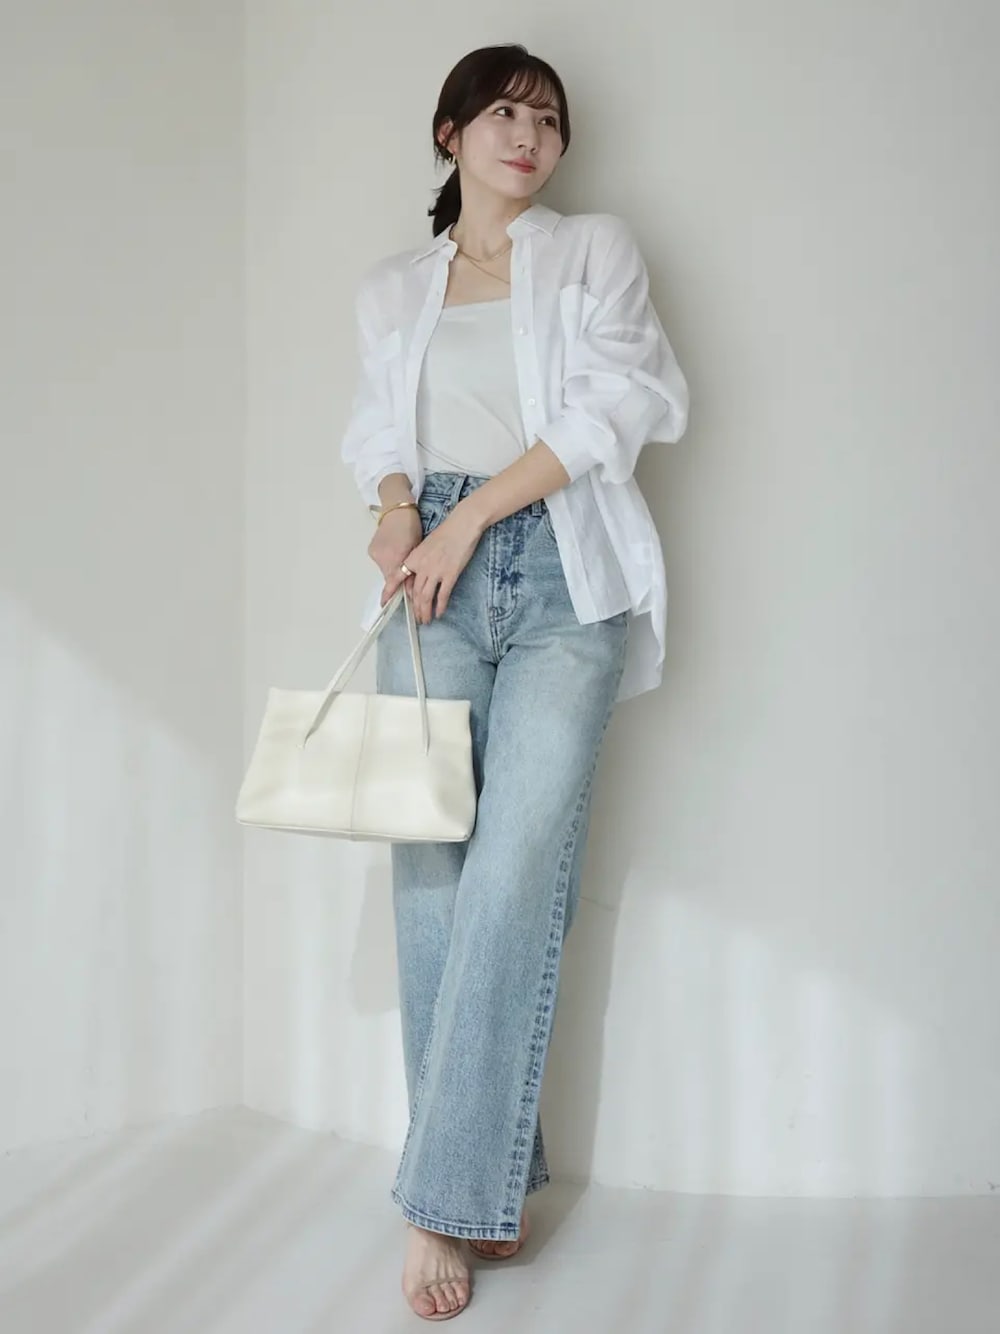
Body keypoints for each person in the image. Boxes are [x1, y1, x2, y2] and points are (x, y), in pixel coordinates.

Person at [340, 43, 689, 1323]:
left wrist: (466, 518)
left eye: (547, 118)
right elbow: (379, 428)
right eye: (501, 112)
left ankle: (437, 1199)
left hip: (559, 573)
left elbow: (619, 405)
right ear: (450, 133)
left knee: (515, 868)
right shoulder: (394, 286)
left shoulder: (593, 253)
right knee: (432, 869)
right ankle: (484, 1175)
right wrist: (395, 513)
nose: (527, 135)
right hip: (427, 577)